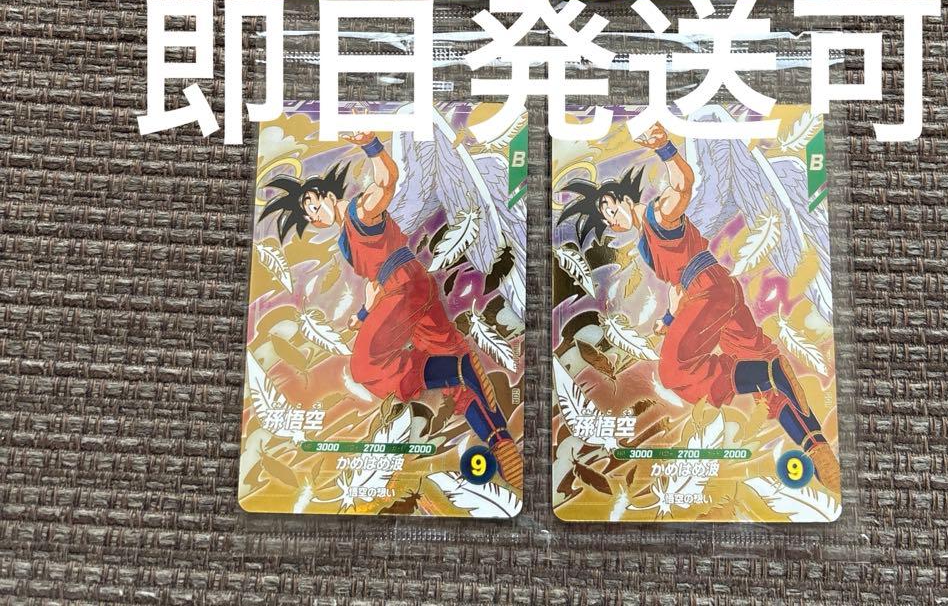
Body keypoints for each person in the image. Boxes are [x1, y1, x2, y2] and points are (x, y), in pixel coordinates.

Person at [558, 123, 840, 493]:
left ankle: (768, 373)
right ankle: (817, 447)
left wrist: (664, 147)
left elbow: (682, 185)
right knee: (766, 383)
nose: (612, 219)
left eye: (610, 208)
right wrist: (669, 317)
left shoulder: (659, 215)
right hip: (715, 293)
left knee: (675, 371)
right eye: (606, 219)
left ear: (624, 199)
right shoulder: (646, 241)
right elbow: (677, 285)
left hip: (708, 292)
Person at [263, 132, 523, 492]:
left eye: (315, 206)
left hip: (404, 290)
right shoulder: (347, 237)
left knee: (366, 367)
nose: (316, 216)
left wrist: (370, 144)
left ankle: (457, 368)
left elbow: (387, 180)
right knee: (457, 388)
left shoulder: (360, 211)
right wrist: (364, 316)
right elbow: (373, 287)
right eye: (310, 217)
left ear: (327, 195)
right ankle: (500, 441)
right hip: (410, 289)